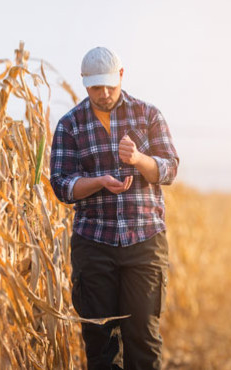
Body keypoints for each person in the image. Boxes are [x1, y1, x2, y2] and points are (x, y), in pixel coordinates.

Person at [50, 46, 179, 370]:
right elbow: (62, 185)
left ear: (121, 76)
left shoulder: (148, 115)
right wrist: (98, 182)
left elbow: (169, 169)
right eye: (96, 88)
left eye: (109, 85)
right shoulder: (70, 125)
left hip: (144, 241)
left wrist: (137, 159)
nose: (104, 94)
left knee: (143, 341)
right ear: (84, 84)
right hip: (94, 243)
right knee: (100, 344)